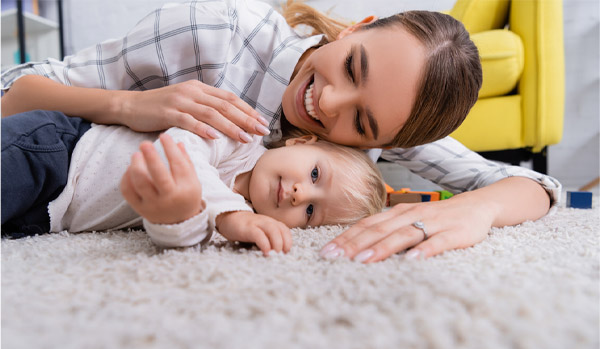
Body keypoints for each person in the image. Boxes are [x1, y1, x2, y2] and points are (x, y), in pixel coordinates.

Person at [0, 0, 561, 262]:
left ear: (381, 141)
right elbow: (13, 95)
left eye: (361, 123)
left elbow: (534, 185)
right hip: (54, 144)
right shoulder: (215, 29)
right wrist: (128, 105)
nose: (329, 101)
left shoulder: (390, 126)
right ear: (355, 27)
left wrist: (475, 210)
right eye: (351, 66)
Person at [1, 110, 387, 255]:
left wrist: (185, 219)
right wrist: (230, 215)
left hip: (47, 216)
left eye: (311, 212)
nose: (301, 193)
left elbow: (174, 236)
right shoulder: (240, 137)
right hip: (58, 151)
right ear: (302, 141)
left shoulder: (239, 223)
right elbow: (180, 147)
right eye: (316, 174)